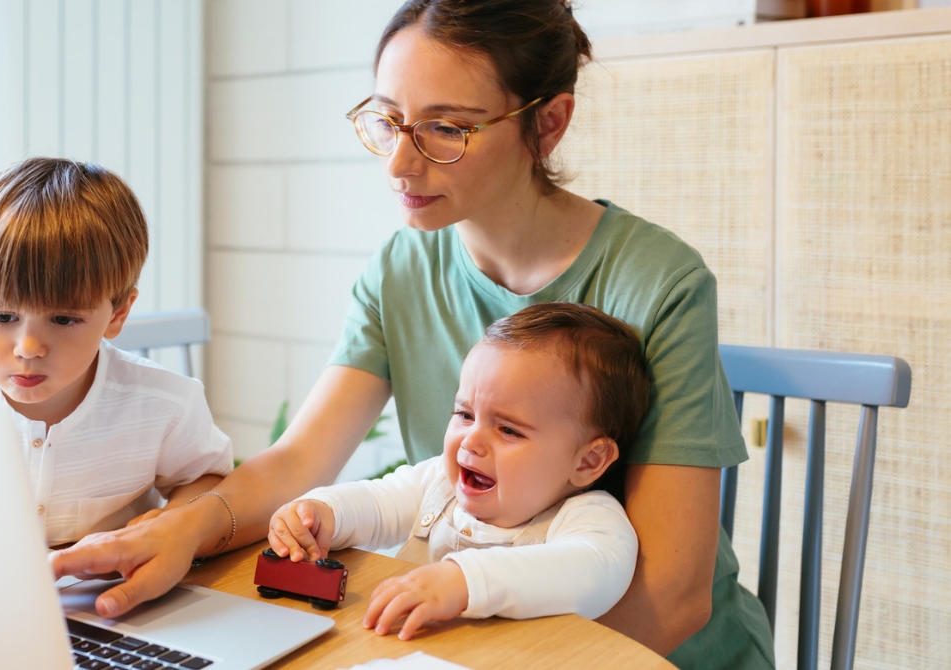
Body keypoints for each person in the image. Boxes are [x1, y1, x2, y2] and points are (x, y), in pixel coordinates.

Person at [49, 2, 774, 667]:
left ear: (548, 123)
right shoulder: (404, 263)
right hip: (472, 639)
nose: (400, 162)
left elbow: (674, 597)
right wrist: (182, 530)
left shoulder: (661, 281)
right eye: (389, 120)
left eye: (446, 129)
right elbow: (303, 457)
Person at [269, 303, 647, 640]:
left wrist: (463, 580)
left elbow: (594, 572)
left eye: (508, 429)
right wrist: (321, 513)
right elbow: (376, 501)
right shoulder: (439, 484)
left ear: (588, 461)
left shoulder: (587, 519)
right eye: (465, 415)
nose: (471, 442)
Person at [0, 157, 233, 548]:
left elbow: (210, 480)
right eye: (1, 316)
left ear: (118, 314)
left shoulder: (166, 407)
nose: (28, 348)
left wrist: (171, 527)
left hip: (114, 603)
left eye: (64, 320)